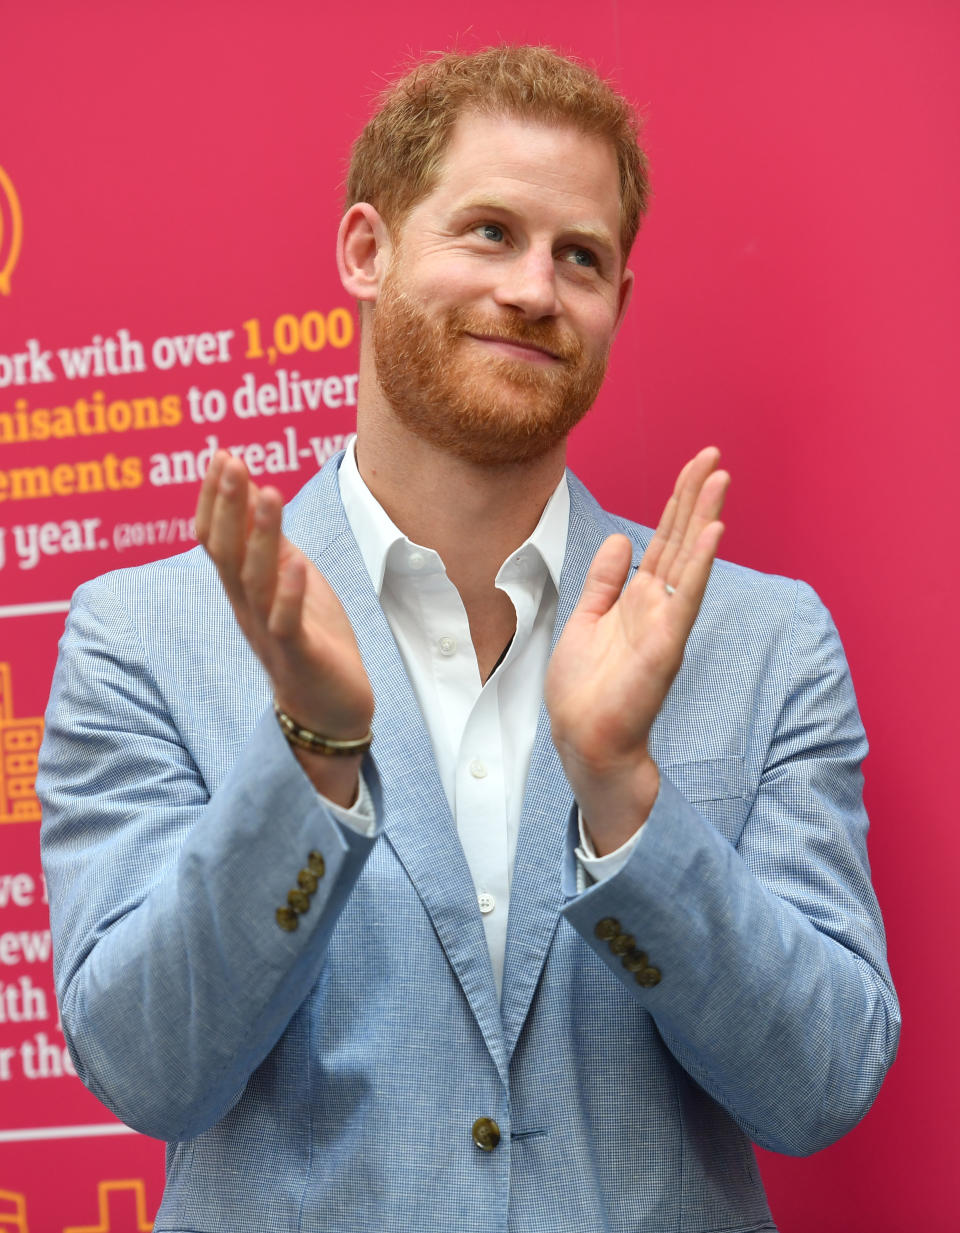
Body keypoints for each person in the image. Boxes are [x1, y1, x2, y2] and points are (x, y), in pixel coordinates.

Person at [38, 45, 898, 1233]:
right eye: (488, 232)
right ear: (366, 251)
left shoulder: (764, 642)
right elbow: (148, 1068)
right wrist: (313, 755)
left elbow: (819, 1088)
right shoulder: (140, 637)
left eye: (580, 257)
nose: (536, 290)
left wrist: (626, 800)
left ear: (617, 308)